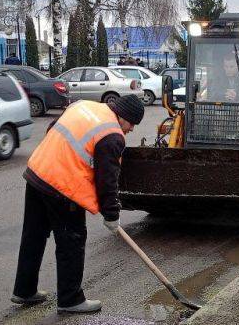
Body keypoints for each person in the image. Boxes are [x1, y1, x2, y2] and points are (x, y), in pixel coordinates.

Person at [11, 94, 144, 313]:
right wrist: (112, 214)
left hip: (37, 173)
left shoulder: (83, 106)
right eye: (131, 124)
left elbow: (53, 129)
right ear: (123, 117)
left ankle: (24, 290)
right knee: (71, 241)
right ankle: (70, 299)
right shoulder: (112, 135)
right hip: (63, 188)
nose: (131, 129)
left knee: (33, 236)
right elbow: (107, 181)